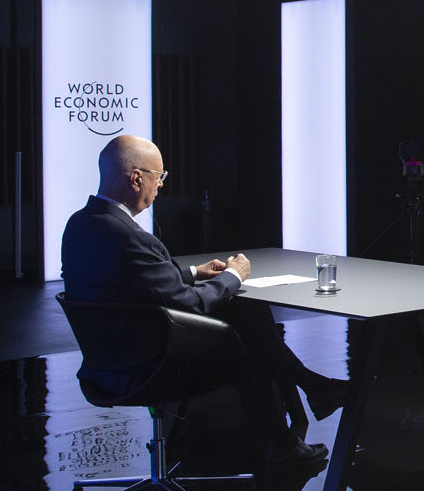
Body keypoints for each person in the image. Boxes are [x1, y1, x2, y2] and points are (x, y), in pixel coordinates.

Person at [61, 134, 346, 464]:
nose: (161, 186)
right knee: (244, 339)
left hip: (106, 361)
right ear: (137, 178)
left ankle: (302, 412)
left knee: (244, 319)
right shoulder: (130, 236)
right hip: (146, 364)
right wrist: (233, 275)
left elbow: (127, 281)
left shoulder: (80, 226)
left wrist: (195, 272)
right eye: (159, 177)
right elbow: (189, 304)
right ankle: (302, 413)